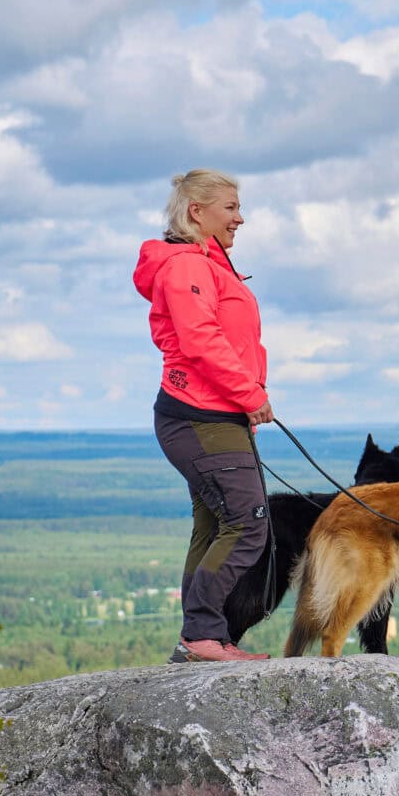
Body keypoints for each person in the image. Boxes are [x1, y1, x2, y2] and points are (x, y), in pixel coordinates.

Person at [133, 169, 276, 663]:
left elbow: (227, 339)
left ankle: (202, 637)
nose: (241, 218)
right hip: (201, 415)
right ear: (198, 212)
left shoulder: (207, 265)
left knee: (217, 524)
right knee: (248, 520)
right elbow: (200, 341)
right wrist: (249, 395)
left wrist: (247, 394)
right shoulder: (187, 266)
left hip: (212, 411)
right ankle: (201, 637)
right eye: (231, 208)